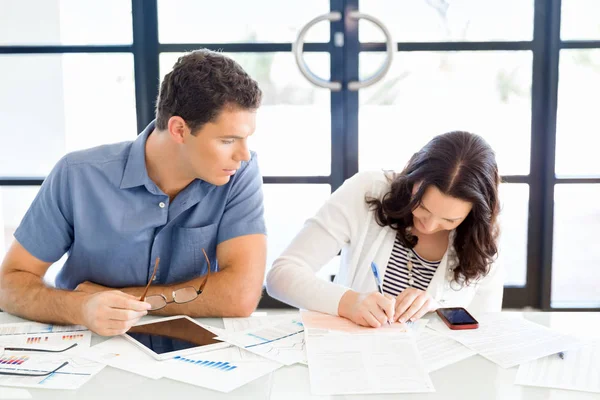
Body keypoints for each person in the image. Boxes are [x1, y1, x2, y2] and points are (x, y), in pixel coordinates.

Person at [0, 50, 267, 336]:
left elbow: (240, 295)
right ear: (179, 129)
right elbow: (9, 285)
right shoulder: (77, 174)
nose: (242, 154)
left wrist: (125, 299)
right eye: (228, 140)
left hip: (191, 357)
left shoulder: (239, 172)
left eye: (246, 138)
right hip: (86, 351)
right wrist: (79, 308)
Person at [267, 131, 503, 328]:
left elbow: (485, 329)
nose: (429, 226)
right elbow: (281, 276)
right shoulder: (368, 191)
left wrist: (438, 310)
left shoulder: (482, 237)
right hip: (353, 362)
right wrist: (349, 302)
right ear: (412, 179)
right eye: (421, 207)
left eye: (449, 220)